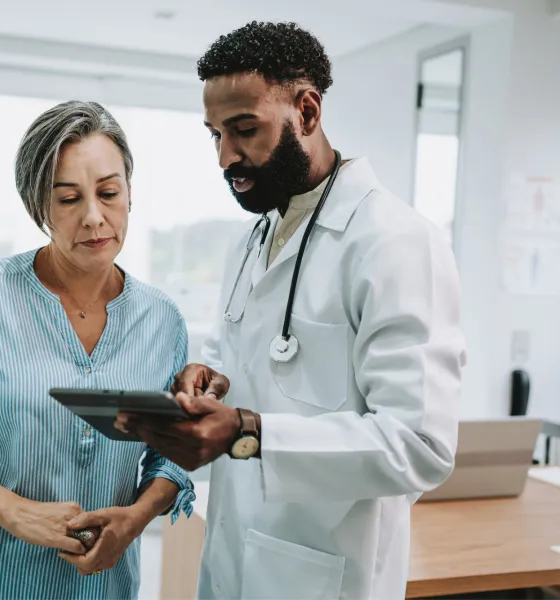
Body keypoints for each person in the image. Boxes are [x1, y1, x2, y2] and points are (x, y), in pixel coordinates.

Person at [115, 22, 466, 600]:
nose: (226, 155)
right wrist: (209, 382)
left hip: (328, 572)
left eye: (244, 129)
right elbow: (238, 360)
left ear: (306, 111)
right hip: (232, 553)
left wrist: (248, 434)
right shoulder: (253, 238)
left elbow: (419, 446)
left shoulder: (396, 241)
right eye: (215, 135)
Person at [0, 100, 194, 600]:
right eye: (68, 199)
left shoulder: (163, 320)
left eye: (109, 193)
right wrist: (13, 510)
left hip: (104, 589)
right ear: (38, 207)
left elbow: (173, 453)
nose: (95, 217)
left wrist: (135, 520)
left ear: (130, 194)